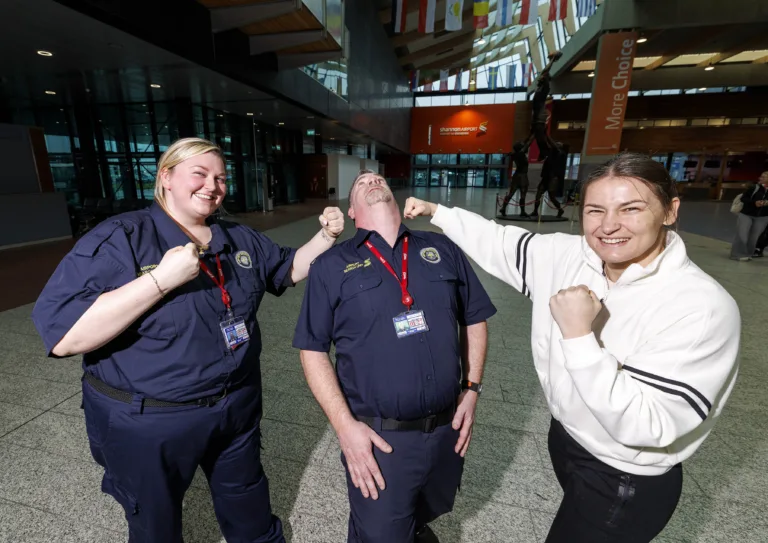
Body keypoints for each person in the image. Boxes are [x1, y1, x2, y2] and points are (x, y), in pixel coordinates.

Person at [403, 153, 741, 543]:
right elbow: (500, 242)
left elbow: (646, 425)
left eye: (630, 209)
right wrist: (438, 213)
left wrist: (579, 336)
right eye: (595, 210)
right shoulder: (569, 255)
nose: (609, 226)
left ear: (669, 210)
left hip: (623, 477)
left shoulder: (701, 307)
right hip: (567, 439)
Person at [31, 137, 345, 543]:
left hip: (235, 408)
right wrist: (159, 280)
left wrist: (324, 237)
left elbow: (285, 269)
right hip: (152, 419)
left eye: (220, 178)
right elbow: (65, 336)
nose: (212, 186)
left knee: (250, 508)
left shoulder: (237, 238)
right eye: (199, 174)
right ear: (165, 177)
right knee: (155, 527)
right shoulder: (122, 238)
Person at [293, 170, 497, 543]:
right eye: (360, 183)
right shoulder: (330, 266)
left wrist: (472, 388)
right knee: (381, 532)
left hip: (445, 429)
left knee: (423, 515)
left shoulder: (441, 248)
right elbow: (313, 350)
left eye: (379, 178)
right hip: (381, 439)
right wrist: (344, 428)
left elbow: (475, 317)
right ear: (352, 211)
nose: (372, 180)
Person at [523, 51, 562, 159]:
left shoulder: (545, 88)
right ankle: (547, 151)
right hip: (537, 117)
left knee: (539, 137)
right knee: (537, 136)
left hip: (539, 117)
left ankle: (548, 151)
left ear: (545, 80)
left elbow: (545, 72)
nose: (539, 79)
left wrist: (552, 60)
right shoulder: (539, 89)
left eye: (541, 78)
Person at [730, 171, 768, 261]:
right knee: (742, 234)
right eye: (761, 176)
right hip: (746, 214)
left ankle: (748, 254)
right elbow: (743, 198)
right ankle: (737, 255)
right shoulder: (754, 187)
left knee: (754, 237)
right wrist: (754, 203)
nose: (761, 178)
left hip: (763, 217)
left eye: (764, 177)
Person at [531, 142, 566, 219]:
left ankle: (560, 210)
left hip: (553, 178)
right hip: (545, 178)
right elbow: (539, 158)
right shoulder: (550, 154)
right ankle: (535, 211)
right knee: (538, 195)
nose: (555, 145)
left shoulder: (561, 154)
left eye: (557, 145)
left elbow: (554, 146)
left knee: (552, 197)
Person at [500, 141, 531, 217]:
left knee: (511, 193)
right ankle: (522, 211)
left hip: (516, 176)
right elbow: (527, 144)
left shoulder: (515, 155)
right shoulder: (520, 154)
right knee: (522, 195)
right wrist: (533, 134)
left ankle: (503, 208)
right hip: (522, 176)